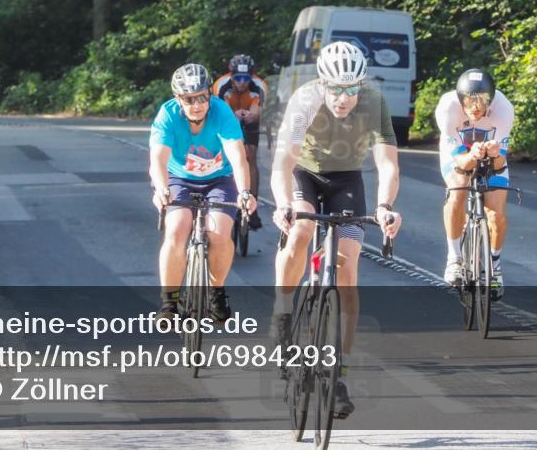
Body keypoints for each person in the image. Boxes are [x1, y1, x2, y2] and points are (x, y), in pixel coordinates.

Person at [270, 41, 402, 419]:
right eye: (335, 89)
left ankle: (338, 370)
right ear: (322, 82)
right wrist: (283, 204)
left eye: (351, 89)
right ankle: (282, 313)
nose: (343, 98)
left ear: (362, 84)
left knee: (347, 266)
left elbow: (387, 164)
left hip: (346, 180)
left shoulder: (374, 102)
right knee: (299, 231)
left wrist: (385, 206)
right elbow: (283, 163)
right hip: (304, 174)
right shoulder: (305, 100)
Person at [149, 63, 257, 323]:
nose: (196, 105)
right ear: (179, 99)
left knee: (219, 231)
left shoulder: (222, 113)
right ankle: (169, 302)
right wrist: (161, 187)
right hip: (179, 178)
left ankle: (216, 292)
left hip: (219, 179)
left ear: (210, 95)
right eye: (189, 99)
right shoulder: (167, 115)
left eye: (202, 97)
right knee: (177, 227)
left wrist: (245, 192)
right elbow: (158, 160)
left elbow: (238, 156)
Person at [434, 69, 514, 300]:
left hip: (491, 155)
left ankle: (495, 267)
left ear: (491, 98)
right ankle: (455, 258)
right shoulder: (448, 108)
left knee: (496, 213)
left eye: (482, 100)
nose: (476, 107)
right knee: (457, 191)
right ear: (460, 99)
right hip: (459, 155)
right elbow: (459, 159)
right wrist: (473, 155)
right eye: (469, 100)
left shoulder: (504, 108)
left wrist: (494, 152)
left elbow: (499, 163)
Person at [212, 53, 268, 229]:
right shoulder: (221, 85)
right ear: (231, 75)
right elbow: (219, 110)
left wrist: (251, 115)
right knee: (227, 155)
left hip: (250, 119)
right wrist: (233, 116)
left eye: (246, 78)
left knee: (249, 155)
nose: (242, 82)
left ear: (252, 76)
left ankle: (253, 205)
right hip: (226, 118)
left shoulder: (259, 85)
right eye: (238, 78)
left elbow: (258, 110)